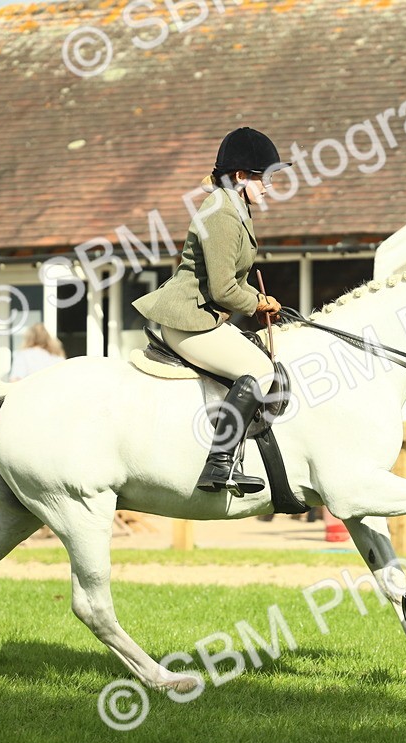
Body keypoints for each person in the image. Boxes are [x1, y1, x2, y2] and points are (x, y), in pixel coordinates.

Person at [132, 127, 289, 494]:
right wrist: (255, 303)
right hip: (189, 319)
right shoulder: (220, 213)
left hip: (205, 316)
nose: (268, 186)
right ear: (240, 177)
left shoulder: (234, 207)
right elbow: (223, 289)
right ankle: (218, 466)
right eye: (264, 178)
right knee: (261, 371)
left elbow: (235, 278)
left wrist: (262, 300)